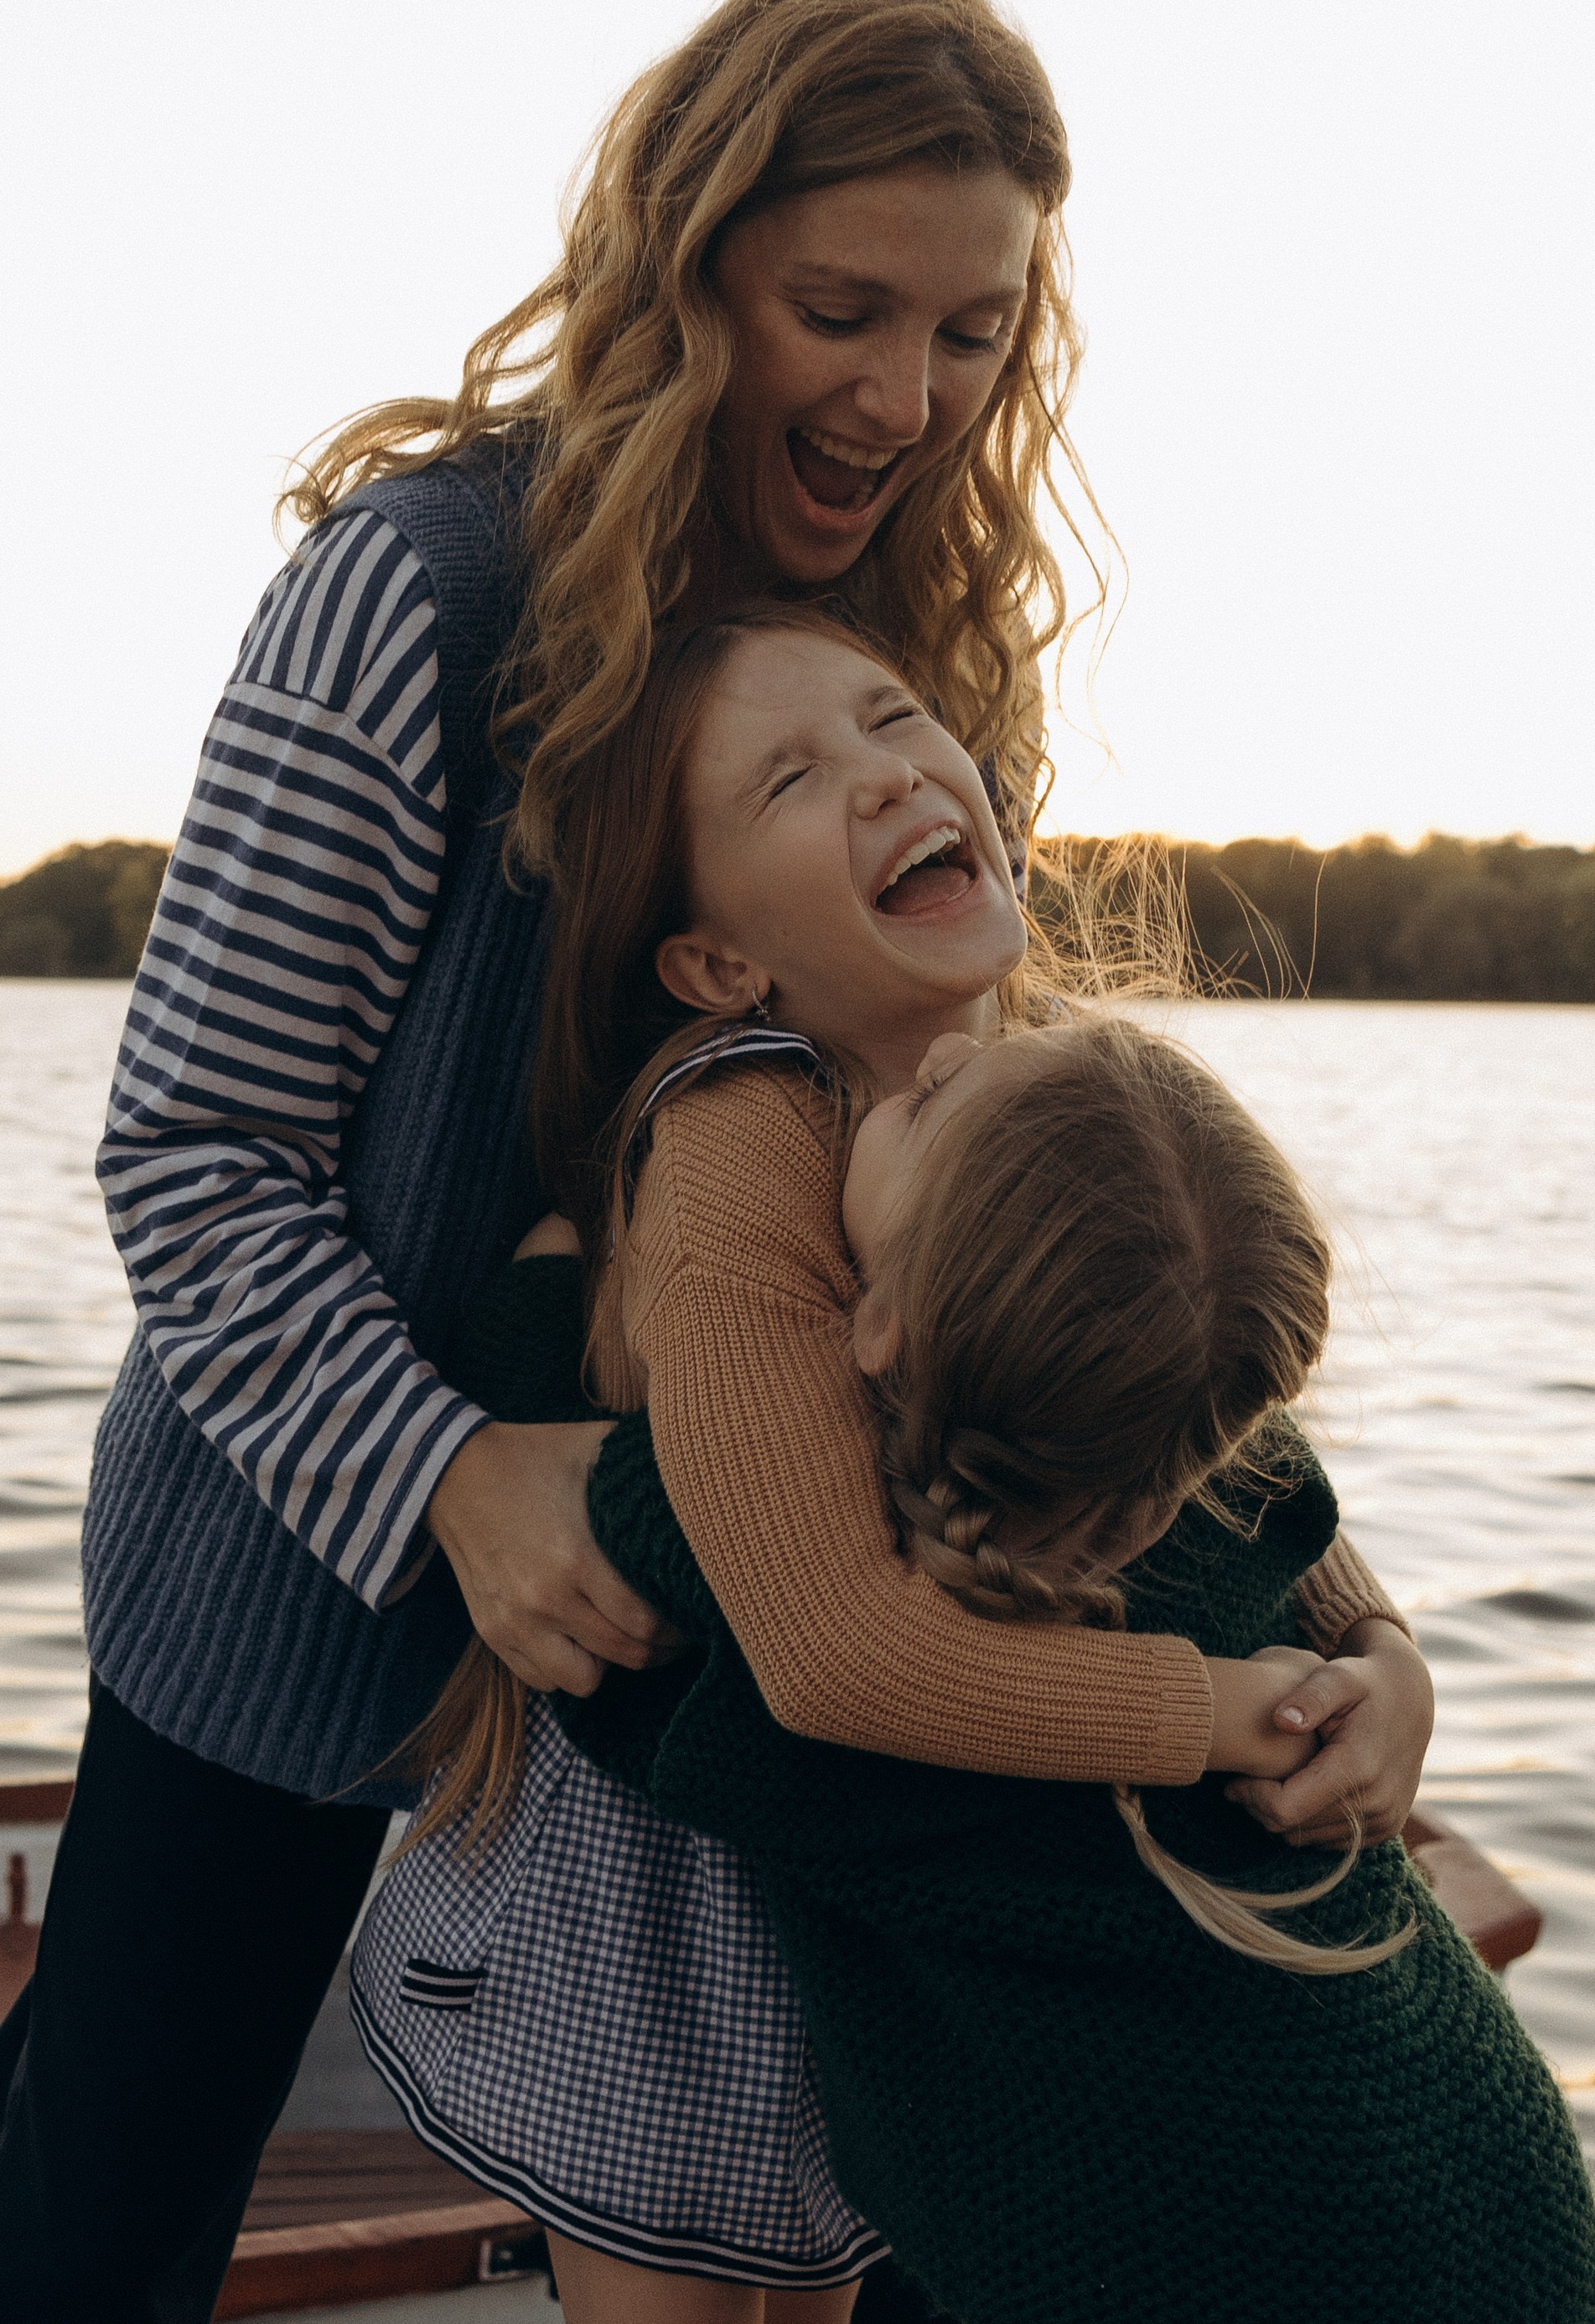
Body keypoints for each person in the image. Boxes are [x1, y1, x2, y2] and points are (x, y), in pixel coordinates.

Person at [0, 0, 1411, 2318]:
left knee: (767, 2225)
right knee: (98, 2215)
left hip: (720, 1640)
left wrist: (1340, 1617)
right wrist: (459, 1468)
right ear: (692, 261)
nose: (907, 397)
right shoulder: (409, 598)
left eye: (973, 333)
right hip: (289, 1581)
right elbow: (193, 1155)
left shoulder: (922, 655)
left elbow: (997, 1162)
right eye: (845, 310)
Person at [359, 611, 1592, 2324]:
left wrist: (1385, 1659)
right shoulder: (753, 1140)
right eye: (798, 772)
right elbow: (800, 1637)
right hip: (1417, 2165)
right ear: (714, 958)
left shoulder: (1059, 1093)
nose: (888, 769)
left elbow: (1239, 1451)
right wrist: (1237, 1702)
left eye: (894, 716)